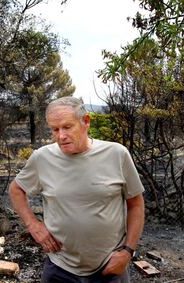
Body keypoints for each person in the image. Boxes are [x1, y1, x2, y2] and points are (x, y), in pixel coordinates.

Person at [9, 96, 145, 283]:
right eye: (54, 129)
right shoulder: (42, 158)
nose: (60, 136)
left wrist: (128, 252)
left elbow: (136, 204)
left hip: (109, 267)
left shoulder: (116, 154)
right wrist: (33, 225)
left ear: (86, 122)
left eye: (67, 127)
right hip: (59, 268)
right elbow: (16, 190)